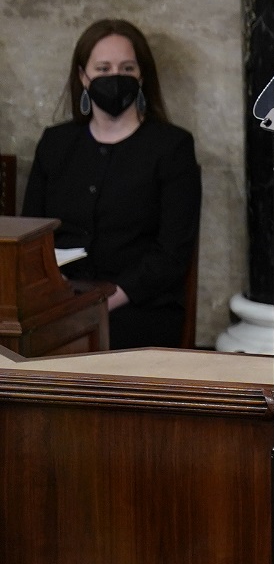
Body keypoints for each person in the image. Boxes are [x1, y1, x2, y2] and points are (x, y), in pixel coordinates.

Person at [24, 20, 201, 349]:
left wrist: (103, 301)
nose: (115, 76)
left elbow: (172, 253)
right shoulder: (56, 144)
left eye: (127, 67)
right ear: (83, 76)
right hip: (58, 301)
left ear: (141, 76)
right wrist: (55, 290)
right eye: (103, 68)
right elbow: (31, 234)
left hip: (138, 306)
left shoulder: (172, 147)